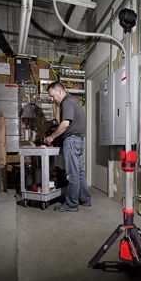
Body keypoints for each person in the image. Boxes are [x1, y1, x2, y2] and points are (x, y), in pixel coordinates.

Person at [45, 81, 91, 212]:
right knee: (79, 172)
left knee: (72, 174)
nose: (52, 99)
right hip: (79, 141)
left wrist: (52, 137)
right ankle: (85, 199)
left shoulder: (67, 102)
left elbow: (65, 124)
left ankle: (71, 204)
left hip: (71, 141)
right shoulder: (73, 100)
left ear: (59, 91)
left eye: (52, 96)